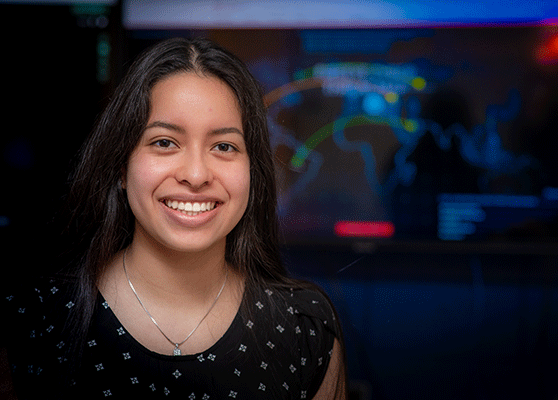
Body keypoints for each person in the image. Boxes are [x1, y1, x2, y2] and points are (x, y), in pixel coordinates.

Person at [1, 37, 347, 399]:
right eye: (164, 142)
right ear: (121, 166)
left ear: (253, 172)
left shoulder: (304, 329)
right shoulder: (34, 318)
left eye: (224, 146)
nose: (196, 175)